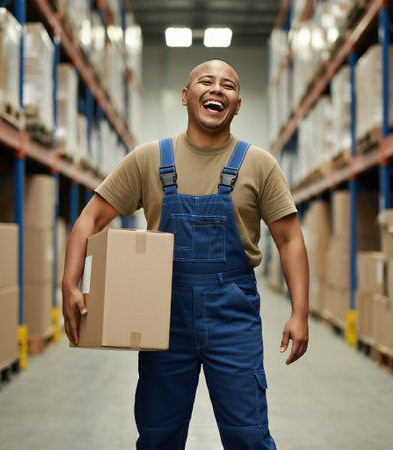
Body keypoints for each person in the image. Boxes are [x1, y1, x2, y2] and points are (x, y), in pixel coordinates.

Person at [62, 59, 309, 449]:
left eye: (227, 85)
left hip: (233, 311)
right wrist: (70, 283)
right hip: (164, 313)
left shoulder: (259, 164)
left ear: (238, 104)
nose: (216, 90)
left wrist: (300, 311)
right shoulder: (149, 159)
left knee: (248, 435)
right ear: (185, 96)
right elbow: (91, 218)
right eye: (206, 82)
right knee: (159, 434)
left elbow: (290, 239)